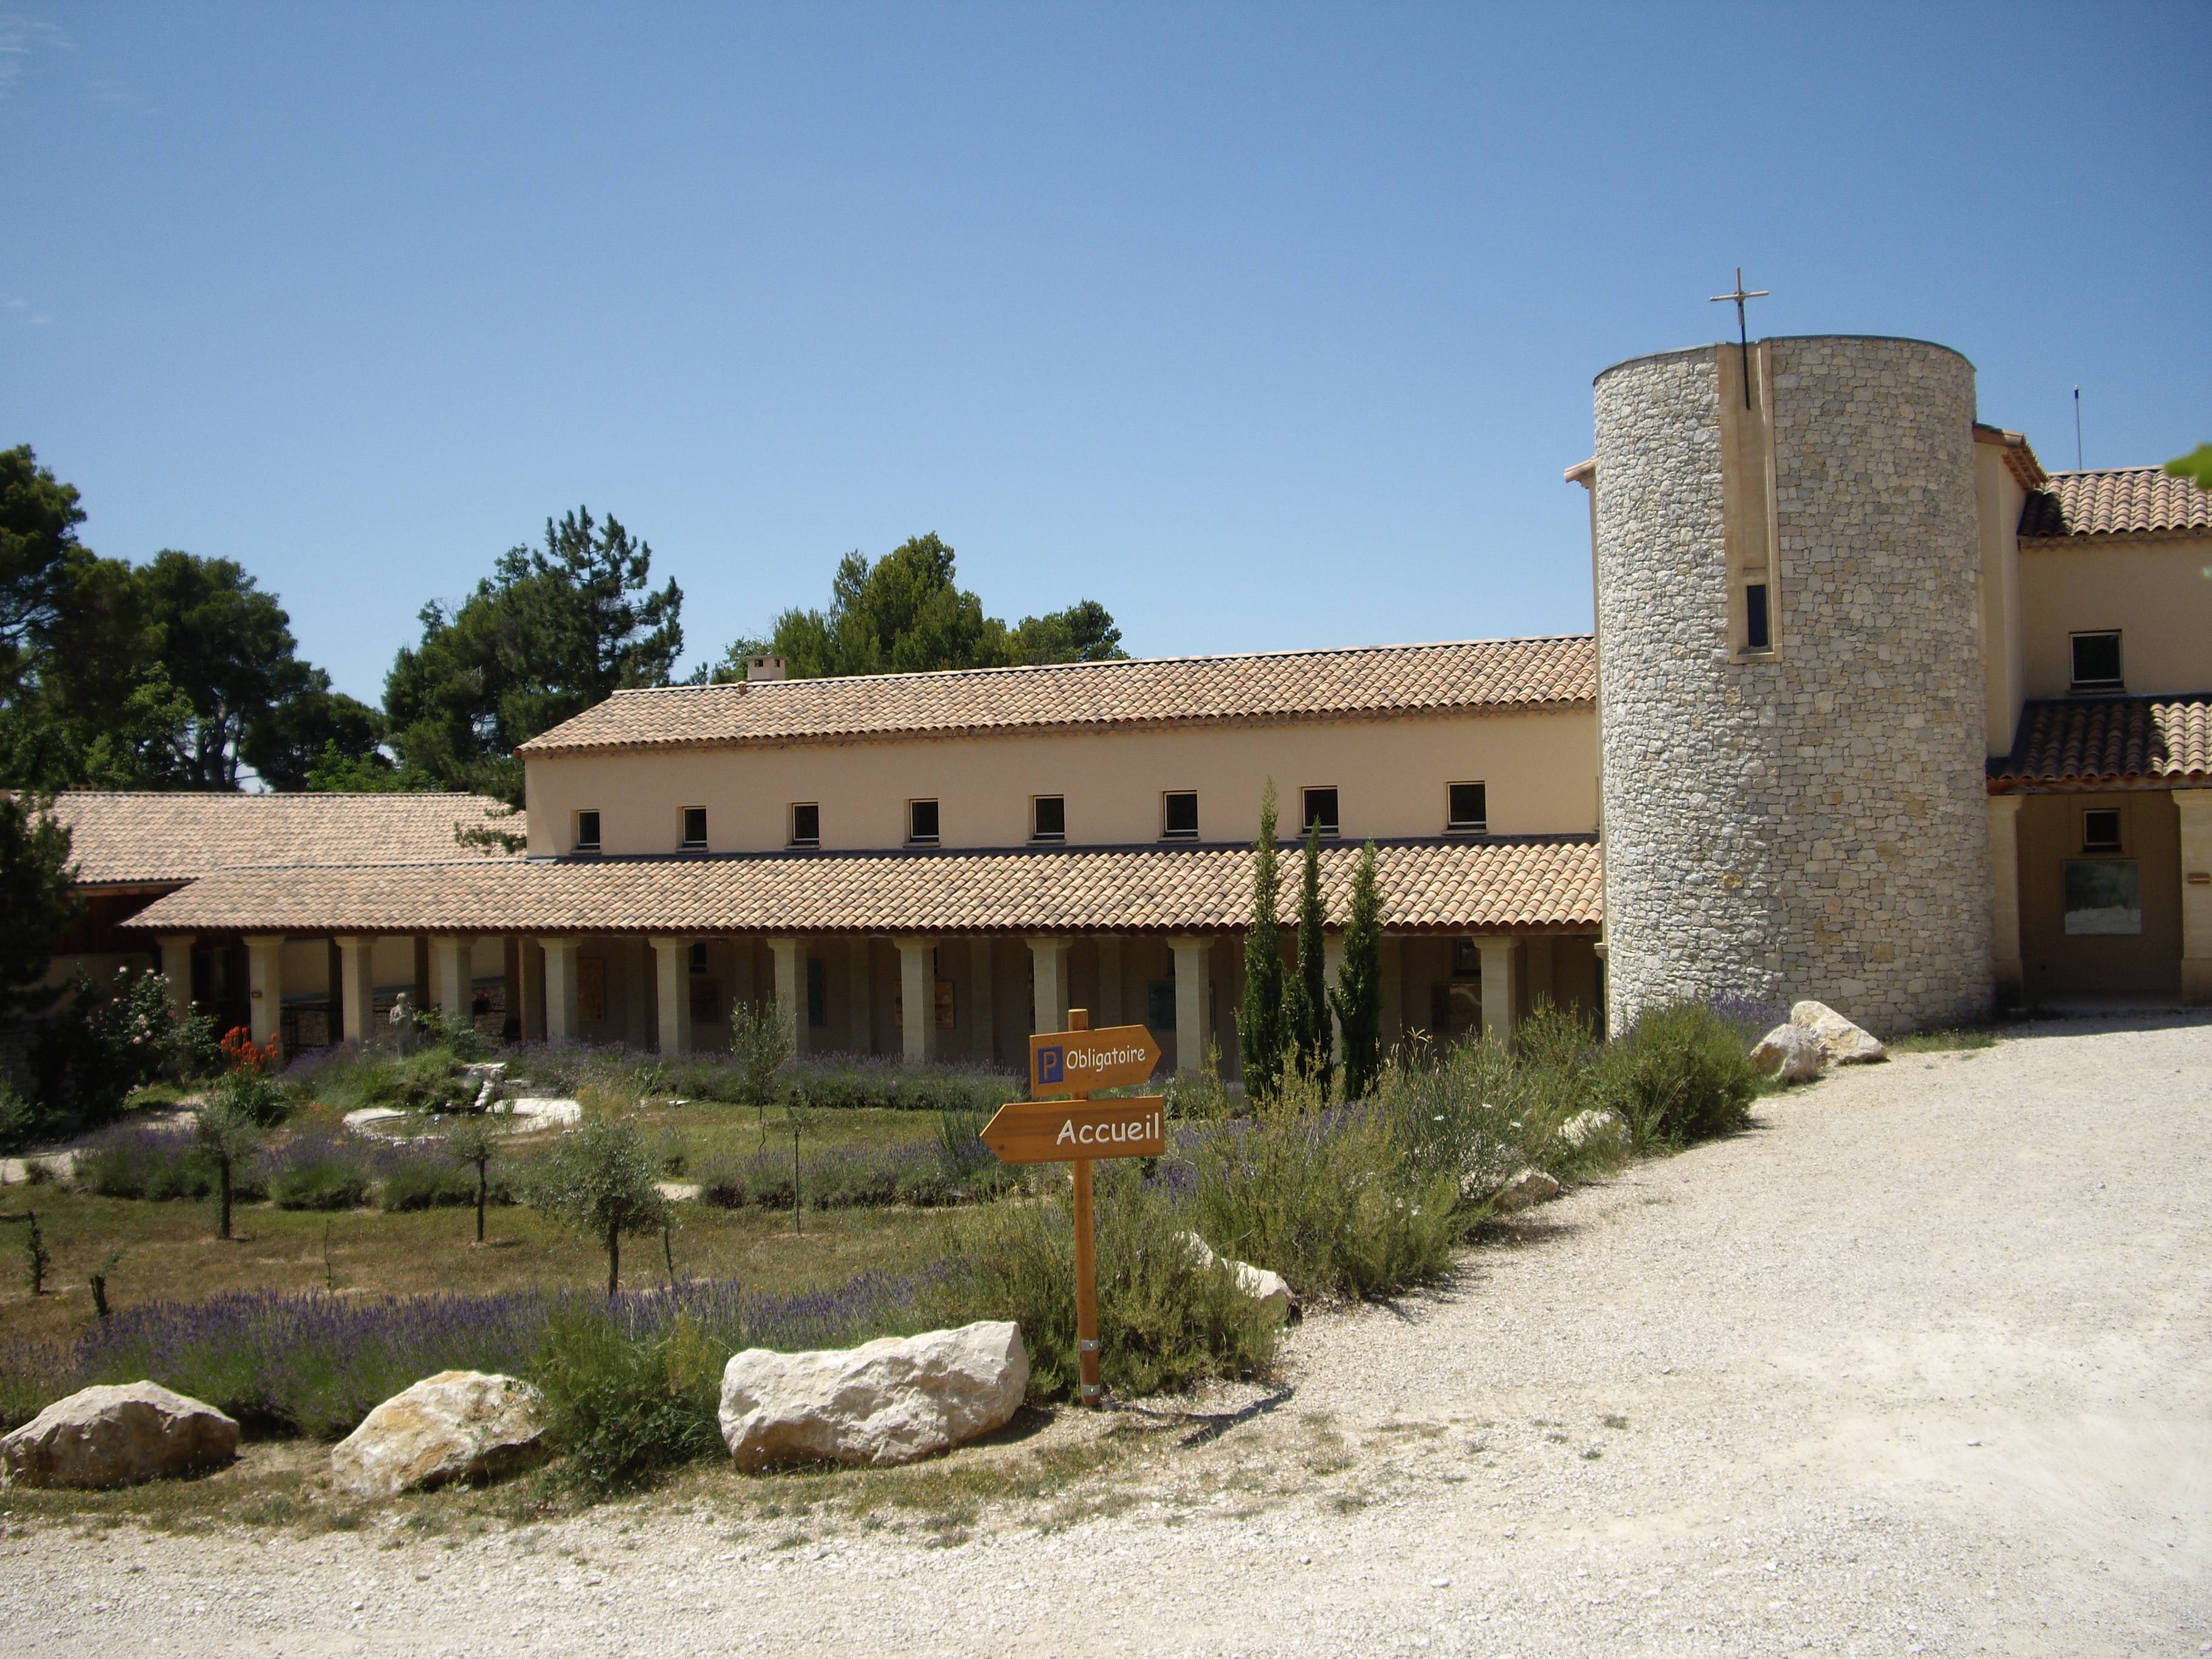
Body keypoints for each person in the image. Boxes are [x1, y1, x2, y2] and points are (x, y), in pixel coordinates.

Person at [387, 991, 416, 1057]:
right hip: (400, 1034)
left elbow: (414, 1018)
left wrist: (415, 1020)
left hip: (410, 1033)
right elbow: (391, 1022)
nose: (405, 1001)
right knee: (402, 1053)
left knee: (411, 1052)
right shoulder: (394, 1011)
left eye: (406, 1000)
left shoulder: (409, 1010)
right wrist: (400, 1019)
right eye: (403, 1000)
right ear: (399, 1000)